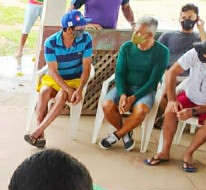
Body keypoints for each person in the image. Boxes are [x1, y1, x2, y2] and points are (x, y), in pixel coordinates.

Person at [145, 36, 206, 173]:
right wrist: (172, 100)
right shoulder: (196, 53)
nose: (200, 54)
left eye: (205, 54)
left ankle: (189, 153)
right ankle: (165, 151)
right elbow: (171, 72)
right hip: (191, 95)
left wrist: (193, 111)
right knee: (170, 111)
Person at [24, 11, 92, 149]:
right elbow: (53, 72)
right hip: (55, 77)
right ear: (68, 29)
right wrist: (67, 88)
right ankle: (40, 133)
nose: (83, 30)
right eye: (80, 28)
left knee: (62, 96)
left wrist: (79, 90)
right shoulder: (51, 42)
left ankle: (36, 132)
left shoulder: (86, 39)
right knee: (43, 92)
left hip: (75, 79)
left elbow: (86, 68)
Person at [98, 17, 168, 151]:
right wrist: (122, 94)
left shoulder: (162, 52)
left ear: (150, 35)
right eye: (134, 31)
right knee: (107, 105)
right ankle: (126, 133)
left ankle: (117, 135)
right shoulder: (127, 47)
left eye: (138, 32)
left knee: (141, 110)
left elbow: (153, 81)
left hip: (145, 90)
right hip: (125, 86)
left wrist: (133, 98)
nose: (134, 35)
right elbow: (119, 73)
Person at [158, 4, 206, 70]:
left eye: (190, 17)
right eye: (183, 18)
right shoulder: (167, 35)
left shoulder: (199, 38)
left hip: (188, 75)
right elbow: (155, 54)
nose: (186, 20)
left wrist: (201, 28)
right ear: (179, 19)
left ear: (197, 18)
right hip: (168, 71)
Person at [69, 0, 134, 30]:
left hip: (111, 34)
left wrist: (133, 23)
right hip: (91, 34)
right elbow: (70, 11)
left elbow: (126, 8)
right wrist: (83, 24)